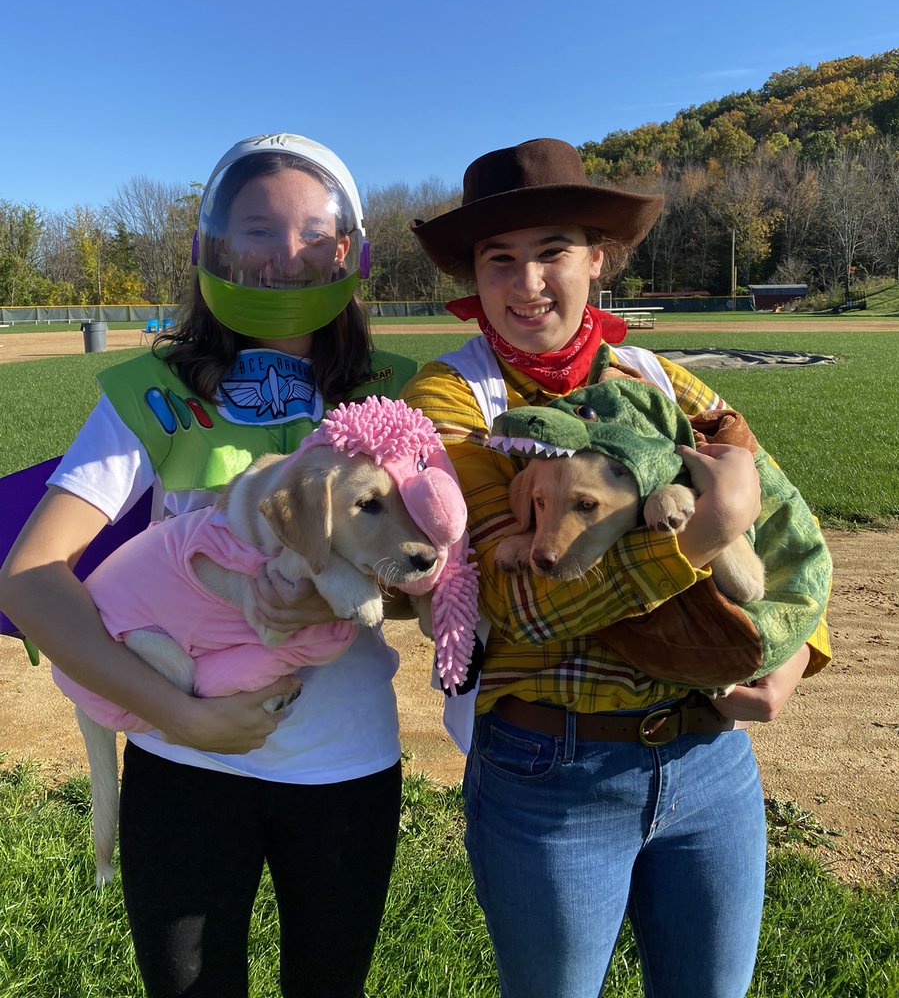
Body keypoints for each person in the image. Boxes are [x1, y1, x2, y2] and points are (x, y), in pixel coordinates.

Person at [402, 137, 832, 998]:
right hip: (551, 772)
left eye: (553, 252)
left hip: (711, 763)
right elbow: (519, 600)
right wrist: (705, 532)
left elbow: (781, 511)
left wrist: (796, 650)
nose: (528, 284)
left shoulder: (660, 377)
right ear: (474, 279)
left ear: (598, 261)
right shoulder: (451, 401)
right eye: (500, 261)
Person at [0, 133, 418, 998]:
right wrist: (178, 718)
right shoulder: (156, 393)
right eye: (258, 230)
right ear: (216, 249)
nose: (283, 257)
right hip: (182, 763)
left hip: (345, 768)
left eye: (310, 233)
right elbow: (30, 576)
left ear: (348, 252)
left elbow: (437, 574)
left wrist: (343, 598)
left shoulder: (394, 399)